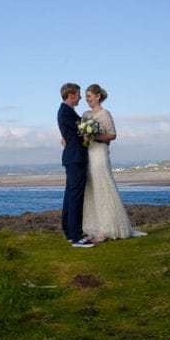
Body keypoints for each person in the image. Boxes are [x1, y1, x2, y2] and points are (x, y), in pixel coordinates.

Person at [80, 84, 146, 241]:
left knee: (103, 186)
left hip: (99, 153)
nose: (87, 99)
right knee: (91, 188)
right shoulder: (85, 114)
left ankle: (108, 228)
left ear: (98, 96)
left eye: (89, 96)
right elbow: (81, 132)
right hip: (87, 152)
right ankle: (93, 227)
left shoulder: (105, 114)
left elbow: (112, 135)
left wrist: (94, 136)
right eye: (86, 96)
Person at [57, 82, 94, 248]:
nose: (80, 97)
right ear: (70, 95)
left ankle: (69, 232)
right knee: (75, 197)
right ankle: (76, 236)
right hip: (75, 158)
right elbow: (90, 129)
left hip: (72, 157)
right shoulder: (66, 112)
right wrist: (96, 118)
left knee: (70, 196)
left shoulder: (66, 111)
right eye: (78, 94)